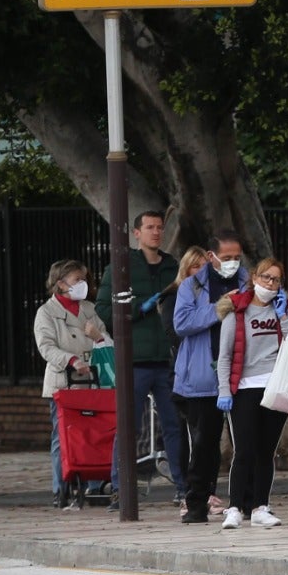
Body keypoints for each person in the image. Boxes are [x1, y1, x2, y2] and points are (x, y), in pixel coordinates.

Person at [97, 210, 184, 511]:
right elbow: (104, 309)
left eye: (159, 227)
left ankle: (183, 488)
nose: (156, 232)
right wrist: (138, 308)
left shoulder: (172, 266)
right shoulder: (121, 266)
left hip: (167, 359)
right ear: (136, 233)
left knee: (175, 425)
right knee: (128, 426)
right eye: (149, 227)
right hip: (135, 360)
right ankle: (120, 488)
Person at [172, 231, 248, 524]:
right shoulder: (191, 285)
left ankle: (249, 502)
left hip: (241, 373)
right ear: (210, 256)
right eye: (226, 257)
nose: (232, 262)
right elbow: (181, 323)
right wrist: (218, 309)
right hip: (203, 376)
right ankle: (196, 503)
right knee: (204, 444)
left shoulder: (248, 281)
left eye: (237, 257)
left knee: (247, 441)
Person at [214, 256, 288, 530]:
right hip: (245, 388)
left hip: (275, 388)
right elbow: (225, 356)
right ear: (254, 278)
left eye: (275, 279)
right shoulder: (237, 312)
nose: (270, 283)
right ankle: (235, 507)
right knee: (244, 450)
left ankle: (260, 507)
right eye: (265, 277)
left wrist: (283, 315)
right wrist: (224, 390)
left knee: (266, 451)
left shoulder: (282, 310)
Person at [34, 260, 108, 509]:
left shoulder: (89, 309)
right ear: (61, 284)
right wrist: (71, 360)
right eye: (77, 280)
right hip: (64, 382)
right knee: (62, 436)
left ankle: (94, 486)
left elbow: (105, 338)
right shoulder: (47, 312)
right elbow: (46, 347)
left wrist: (98, 337)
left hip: (92, 382)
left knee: (94, 434)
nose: (83, 284)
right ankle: (61, 488)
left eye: (84, 279)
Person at [161, 245, 206, 514]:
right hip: (185, 371)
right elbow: (175, 332)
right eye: (195, 266)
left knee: (206, 434)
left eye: (204, 267)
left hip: (209, 372)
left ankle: (205, 490)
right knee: (187, 432)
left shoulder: (212, 294)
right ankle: (186, 489)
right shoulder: (173, 295)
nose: (200, 272)